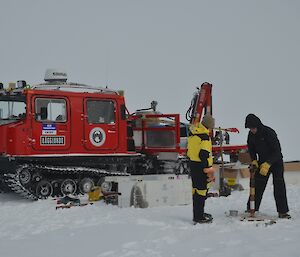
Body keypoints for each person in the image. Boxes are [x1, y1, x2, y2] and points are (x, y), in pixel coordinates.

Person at [245, 114, 291, 219]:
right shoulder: (251, 135)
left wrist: (268, 163)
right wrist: (254, 161)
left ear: (257, 125)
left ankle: (283, 212)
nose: (252, 130)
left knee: (279, 186)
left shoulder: (269, 133)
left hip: (276, 162)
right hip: (262, 161)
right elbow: (251, 149)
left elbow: (277, 152)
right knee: (258, 184)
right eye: (250, 128)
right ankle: (252, 207)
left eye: (253, 128)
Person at [187, 114, 215, 224]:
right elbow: (203, 154)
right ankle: (199, 217)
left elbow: (190, 151)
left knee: (196, 191)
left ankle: (197, 214)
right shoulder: (204, 137)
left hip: (193, 165)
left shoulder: (193, 134)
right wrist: (208, 170)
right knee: (202, 192)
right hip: (202, 167)